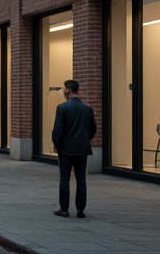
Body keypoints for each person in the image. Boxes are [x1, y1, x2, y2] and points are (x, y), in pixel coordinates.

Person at [51, 79, 97, 218]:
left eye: (65, 89)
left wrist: (57, 145)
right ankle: (80, 210)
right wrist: (84, 140)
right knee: (81, 178)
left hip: (66, 149)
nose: (64, 91)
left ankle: (64, 209)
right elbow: (93, 129)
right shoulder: (87, 108)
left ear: (69, 90)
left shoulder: (62, 108)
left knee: (65, 178)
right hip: (82, 149)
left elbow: (57, 132)